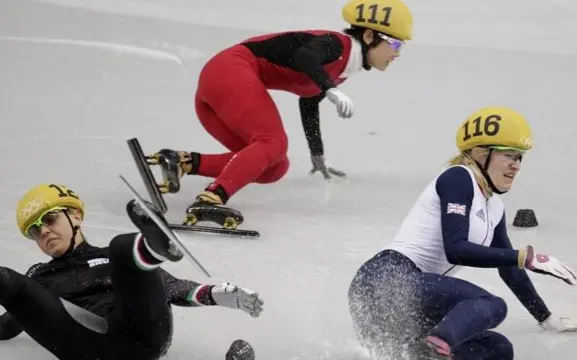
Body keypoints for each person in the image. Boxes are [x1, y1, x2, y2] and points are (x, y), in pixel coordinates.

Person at [346, 107, 577, 360]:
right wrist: (524, 256)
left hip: (408, 306)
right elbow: (456, 249)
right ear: (481, 153)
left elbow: (511, 271)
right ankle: (435, 346)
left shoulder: (494, 207)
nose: (517, 165)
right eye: (510, 155)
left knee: (497, 350)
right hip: (384, 281)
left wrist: (547, 319)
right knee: (492, 305)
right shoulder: (459, 178)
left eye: (521, 157)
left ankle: (427, 349)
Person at [142, 0, 414, 229]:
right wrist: (329, 87)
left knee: (274, 167)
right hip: (230, 70)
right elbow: (305, 58)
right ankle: (211, 199)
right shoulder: (336, 45)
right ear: (368, 36)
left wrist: (317, 156)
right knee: (273, 142)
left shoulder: (342, 69)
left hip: (219, 87)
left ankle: (182, 162)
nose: (398, 54)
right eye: (396, 45)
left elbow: (308, 104)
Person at [0, 183, 264, 360]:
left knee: (122, 249)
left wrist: (214, 294)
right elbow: (8, 324)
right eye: (35, 230)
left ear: (75, 216)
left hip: (143, 334)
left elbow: (169, 288)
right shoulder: (40, 277)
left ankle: (154, 249)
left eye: (49, 219)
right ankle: (151, 248)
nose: (44, 231)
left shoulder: (110, 257)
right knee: (8, 280)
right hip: (89, 346)